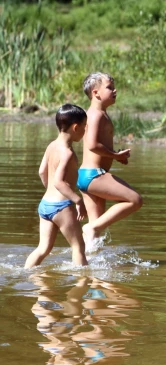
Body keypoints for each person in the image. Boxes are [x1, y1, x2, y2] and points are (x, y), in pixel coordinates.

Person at [78, 72, 143, 249]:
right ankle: (91, 228)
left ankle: (89, 268)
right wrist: (115, 156)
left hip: (88, 175)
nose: (115, 91)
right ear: (95, 93)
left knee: (95, 236)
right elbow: (92, 145)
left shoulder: (100, 114)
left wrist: (115, 155)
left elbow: (98, 145)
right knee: (135, 200)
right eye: (110, 87)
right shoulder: (95, 115)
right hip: (95, 175)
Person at [25, 104, 88, 268]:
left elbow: (41, 171)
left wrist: (50, 191)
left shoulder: (51, 146)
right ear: (75, 127)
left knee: (43, 248)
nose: (85, 131)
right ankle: (81, 285)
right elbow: (59, 182)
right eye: (84, 127)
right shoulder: (67, 153)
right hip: (62, 206)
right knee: (78, 247)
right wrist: (78, 200)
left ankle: (25, 274)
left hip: (45, 204)